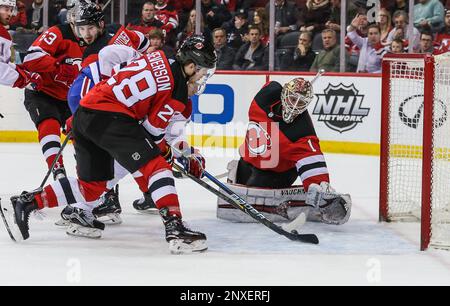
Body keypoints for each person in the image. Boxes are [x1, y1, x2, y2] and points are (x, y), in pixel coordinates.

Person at [1, 35, 218, 255]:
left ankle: (27, 202)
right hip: (111, 117)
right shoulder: (178, 91)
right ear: (191, 66)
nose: (202, 78)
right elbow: (153, 135)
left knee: (92, 187)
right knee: (157, 167)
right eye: (202, 71)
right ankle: (176, 229)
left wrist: (179, 152)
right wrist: (171, 155)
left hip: (85, 113)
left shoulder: (157, 57)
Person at [216, 78, 351, 225]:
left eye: (300, 103)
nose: (294, 106)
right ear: (284, 93)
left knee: (250, 198)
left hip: (276, 173)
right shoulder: (264, 97)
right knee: (239, 185)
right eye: (292, 99)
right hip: (247, 162)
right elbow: (269, 84)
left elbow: (314, 164)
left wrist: (321, 191)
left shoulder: (303, 133)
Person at [20, 1, 84, 181]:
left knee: (84, 136)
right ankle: (58, 170)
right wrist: (56, 65)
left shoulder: (96, 39)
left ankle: (87, 174)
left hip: (73, 98)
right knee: (49, 124)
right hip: (44, 92)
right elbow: (31, 58)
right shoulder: (58, 32)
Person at [77, 0, 150, 67]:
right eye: (82, 29)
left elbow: (88, 79)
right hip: (143, 72)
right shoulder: (116, 28)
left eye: (90, 28)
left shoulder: (90, 53)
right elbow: (142, 41)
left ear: (101, 24)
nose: (86, 34)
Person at [0, 0, 41, 89]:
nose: (10, 14)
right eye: (6, 9)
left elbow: (4, 63)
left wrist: (21, 71)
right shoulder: (1, 33)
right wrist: (23, 80)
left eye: (11, 10)